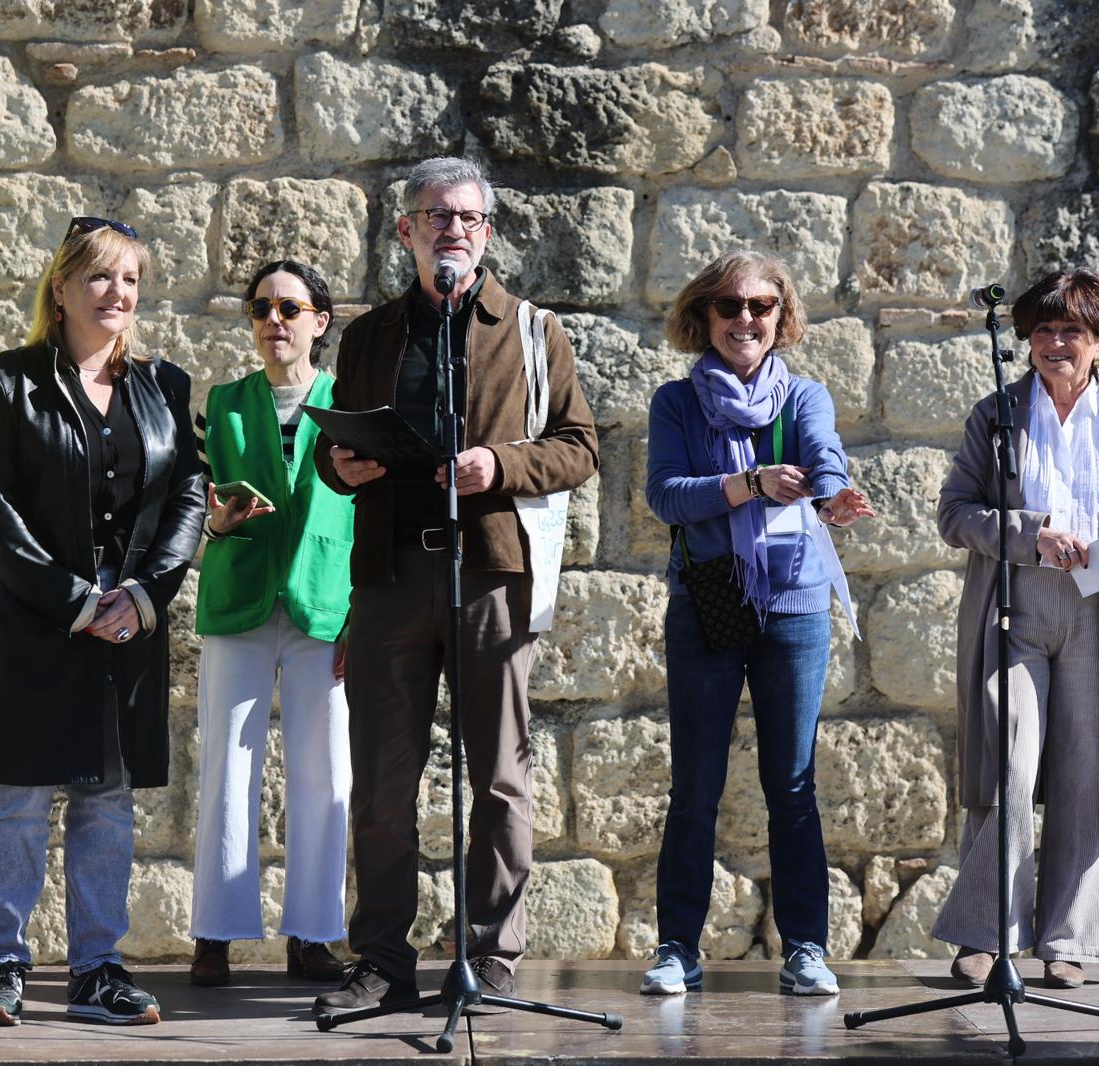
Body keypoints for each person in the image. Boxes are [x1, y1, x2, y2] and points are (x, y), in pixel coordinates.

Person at [310, 156, 599, 1015]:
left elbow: (580, 446)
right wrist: (342, 465)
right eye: (436, 216)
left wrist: (500, 465)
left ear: (486, 231)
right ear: (406, 231)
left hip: (491, 575)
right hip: (392, 577)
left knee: (501, 776)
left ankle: (492, 955)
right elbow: (334, 459)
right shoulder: (365, 338)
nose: (453, 231)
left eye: (468, 218)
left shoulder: (533, 330)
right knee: (382, 779)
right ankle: (384, 962)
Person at [0, 216, 204, 1026]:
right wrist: (73, 600)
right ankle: (3, 967)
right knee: (18, 801)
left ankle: (98, 969)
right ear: (59, 290)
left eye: (130, 279)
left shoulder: (163, 386)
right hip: (33, 621)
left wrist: (143, 595)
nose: (117, 293)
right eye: (99, 277)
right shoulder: (5, 381)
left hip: (129, 624)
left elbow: (187, 498)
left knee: (108, 798)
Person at [932, 268, 1099, 989]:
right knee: (1009, 763)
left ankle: (1071, 939)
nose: (1054, 342)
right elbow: (955, 513)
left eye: (1072, 329)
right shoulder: (996, 414)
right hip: (1016, 609)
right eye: (1042, 328)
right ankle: (988, 935)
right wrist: (1030, 536)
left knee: (1091, 777)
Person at [642, 251, 874, 998]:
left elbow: (823, 456)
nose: (748, 319)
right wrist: (749, 485)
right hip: (708, 600)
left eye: (763, 306)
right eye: (732, 306)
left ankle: (805, 947)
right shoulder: (676, 404)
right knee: (695, 787)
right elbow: (669, 498)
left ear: (782, 316)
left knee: (794, 784)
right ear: (704, 316)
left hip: (795, 605)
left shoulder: (803, 394)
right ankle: (678, 947)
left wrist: (834, 495)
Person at [186, 259, 353, 986]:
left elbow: (372, 515)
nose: (273, 322)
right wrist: (215, 525)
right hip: (240, 600)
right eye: (260, 309)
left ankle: (314, 934)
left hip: (327, 605)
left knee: (326, 772)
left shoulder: (350, 407)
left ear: (320, 319)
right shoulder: (220, 405)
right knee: (227, 764)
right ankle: (216, 934)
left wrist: (366, 612)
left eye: (290, 307)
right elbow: (194, 509)